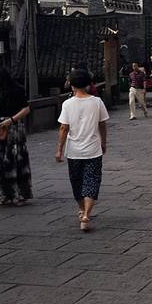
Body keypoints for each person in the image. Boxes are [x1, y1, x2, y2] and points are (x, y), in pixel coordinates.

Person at [56, 69, 109, 232]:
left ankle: (81, 209)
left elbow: (64, 128)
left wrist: (59, 149)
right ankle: (86, 214)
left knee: (77, 182)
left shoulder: (67, 104)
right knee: (92, 181)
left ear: (71, 85)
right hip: (93, 149)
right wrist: (103, 142)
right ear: (88, 84)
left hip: (74, 151)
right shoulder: (97, 102)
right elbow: (102, 124)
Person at [0, 66, 32, 206]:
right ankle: (6, 193)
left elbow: (26, 109)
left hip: (14, 128)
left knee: (15, 160)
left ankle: (19, 194)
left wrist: (11, 120)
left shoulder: (18, 89)